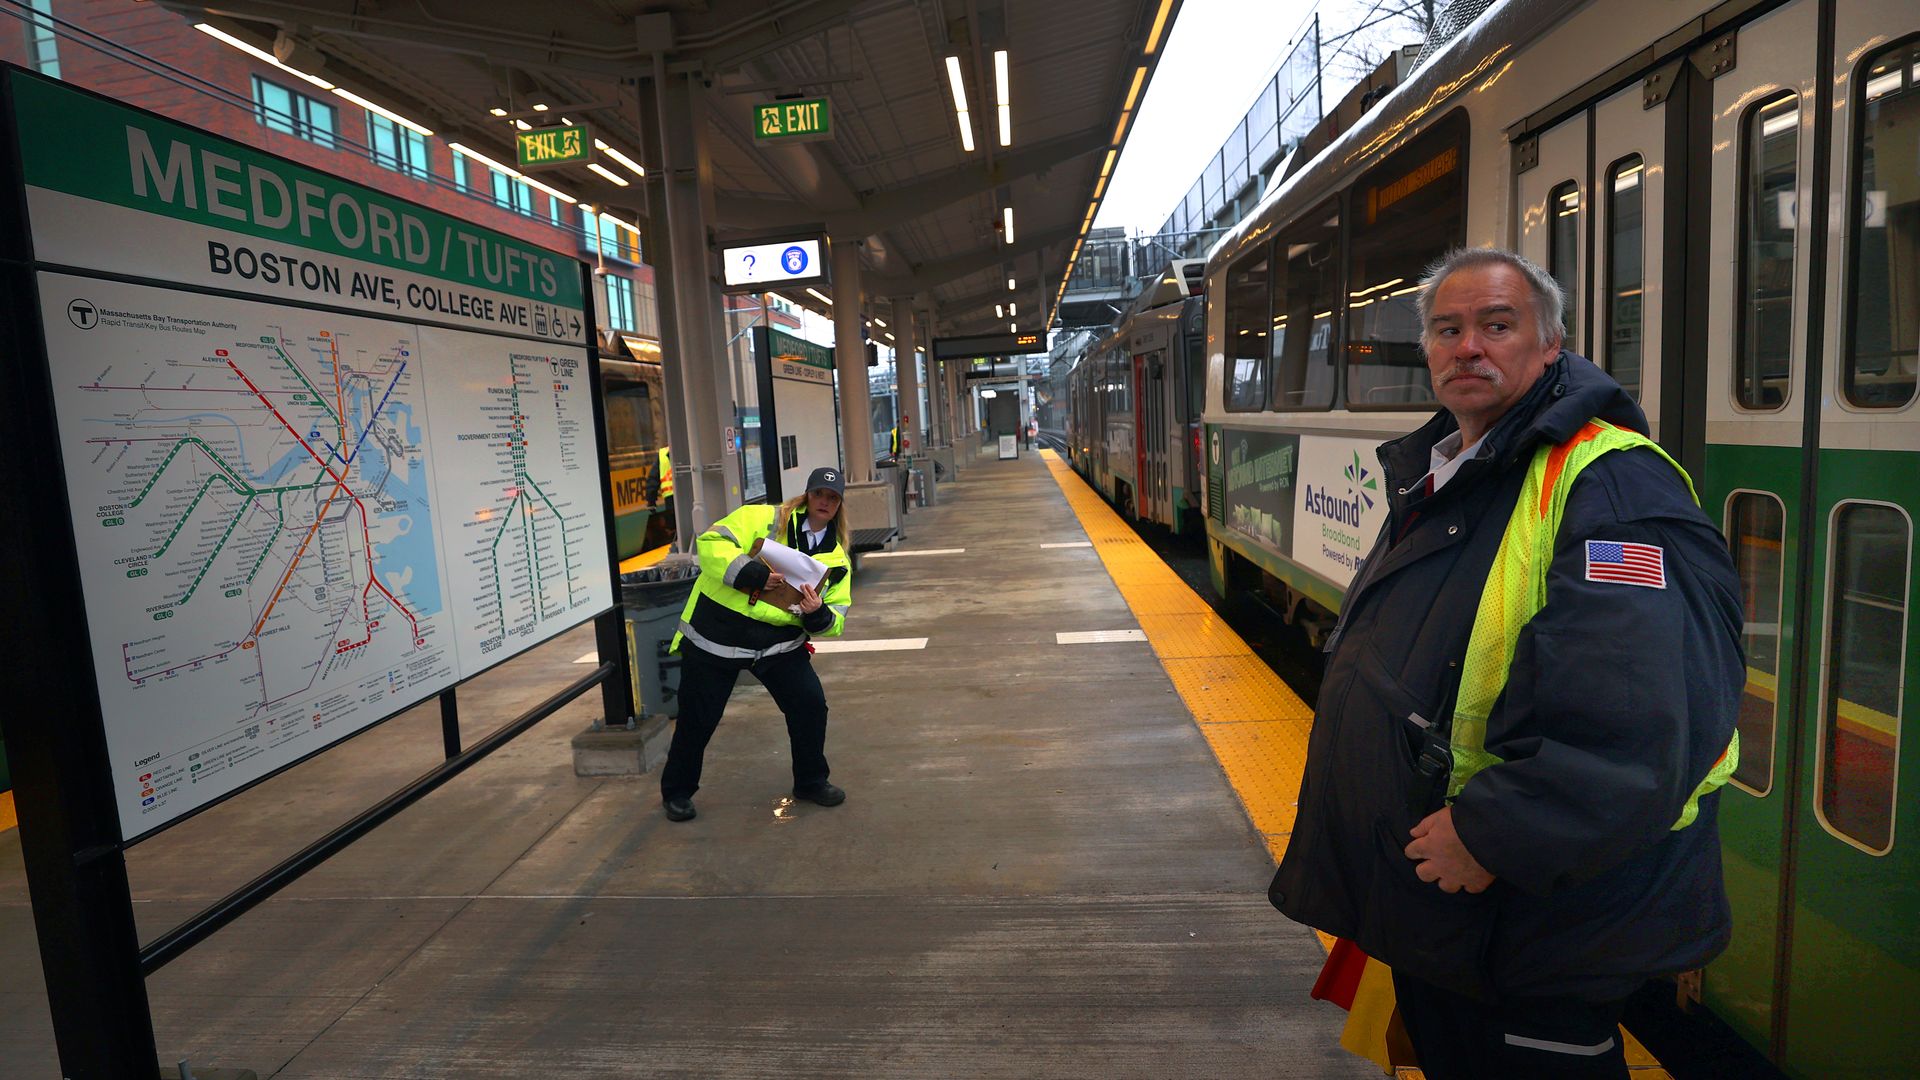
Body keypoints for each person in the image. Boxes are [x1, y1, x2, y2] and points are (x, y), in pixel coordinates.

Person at [1267, 248, 1743, 1079]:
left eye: (1497, 325)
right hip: (1460, 918)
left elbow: (1644, 716)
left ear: (1550, 344)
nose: (1468, 348)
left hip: (1535, 917)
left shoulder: (1612, 490)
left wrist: (1495, 836)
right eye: (1447, 330)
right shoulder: (1459, 468)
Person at [659, 466, 854, 822]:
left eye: (832, 498)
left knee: (810, 706)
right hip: (717, 637)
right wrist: (754, 576)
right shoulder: (762, 518)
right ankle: (677, 792)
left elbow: (836, 618)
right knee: (697, 719)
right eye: (818, 494)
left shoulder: (837, 559)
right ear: (807, 495)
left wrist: (817, 614)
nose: (824, 502)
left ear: (839, 505)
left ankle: (811, 781)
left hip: (778, 648)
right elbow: (710, 544)